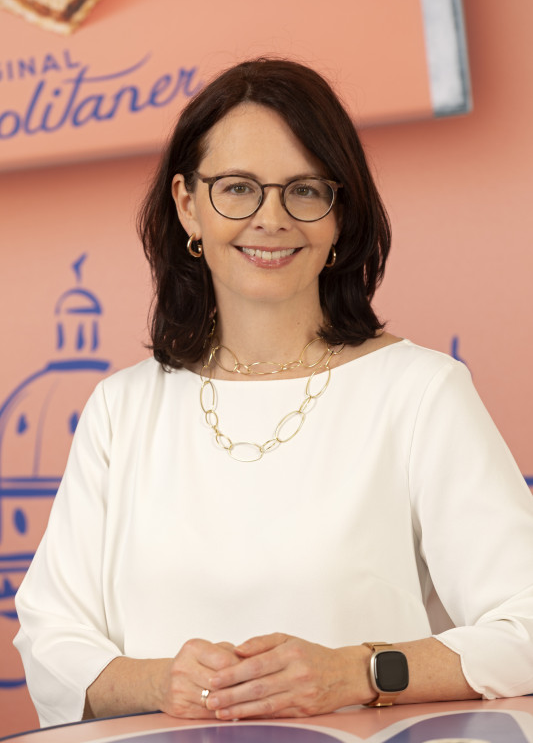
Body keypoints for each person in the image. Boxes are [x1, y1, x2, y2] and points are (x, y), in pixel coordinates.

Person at [14, 58, 533, 728]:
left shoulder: (420, 393)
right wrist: (163, 681)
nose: (271, 218)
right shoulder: (121, 409)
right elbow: (51, 641)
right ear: (187, 205)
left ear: (340, 213)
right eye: (237, 188)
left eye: (304, 190)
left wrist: (356, 671)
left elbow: (525, 624)